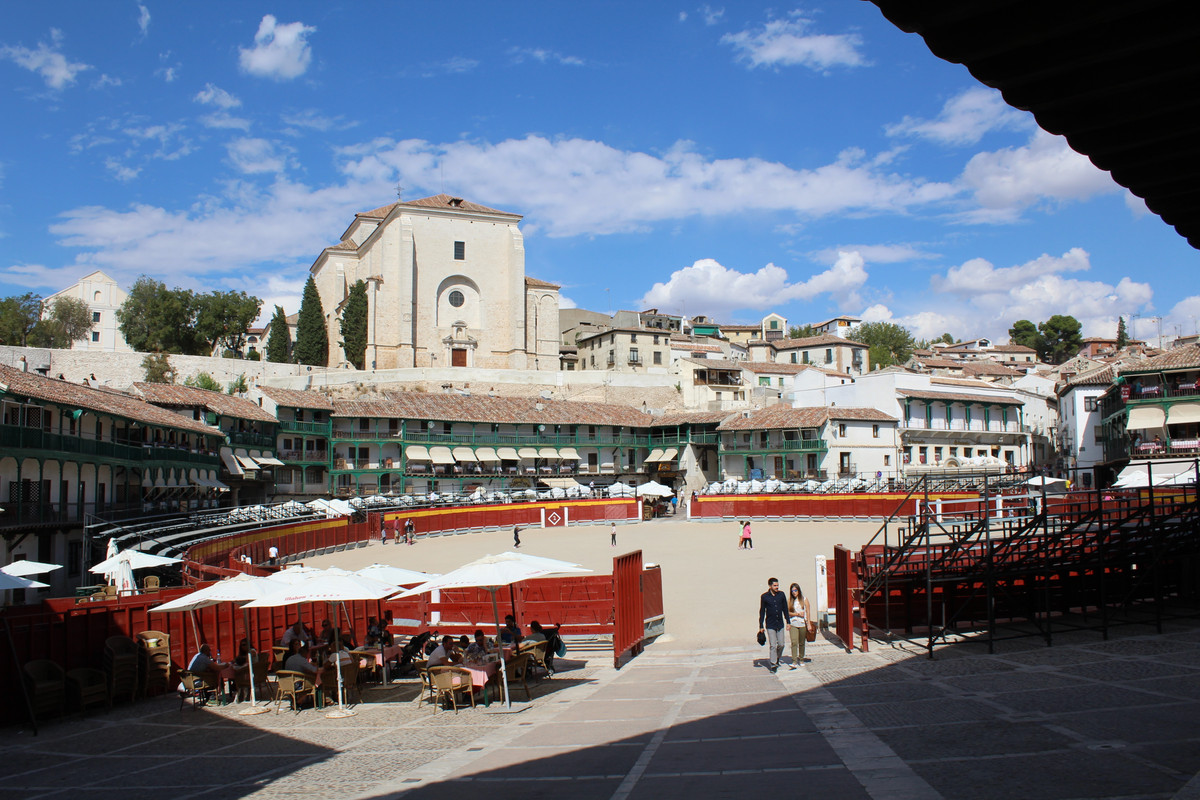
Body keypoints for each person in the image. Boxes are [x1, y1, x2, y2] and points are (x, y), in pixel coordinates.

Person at [758, 577, 789, 673]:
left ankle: (777, 657)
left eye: (777, 585)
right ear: (770, 586)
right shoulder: (764, 597)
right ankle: (773, 663)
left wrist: (788, 622)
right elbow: (762, 611)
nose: (777, 587)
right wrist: (761, 626)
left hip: (780, 623)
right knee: (773, 645)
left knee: (781, 644)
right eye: (775, 585)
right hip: (770, 624)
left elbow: (785, 609)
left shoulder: (781, 595)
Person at [787, 583, 812, 668]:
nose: (794, 592)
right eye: (792, 591)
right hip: (793, 623)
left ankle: (801, 659)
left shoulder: (804, 599)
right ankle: (794, 661)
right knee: (794, 642)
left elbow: (808, 611)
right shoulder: (790, 601)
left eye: (795, 590)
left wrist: (808, 624)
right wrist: (796, 614)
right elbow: (787, 613)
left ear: (798, 590)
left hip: (802, 623)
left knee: (801, 642)